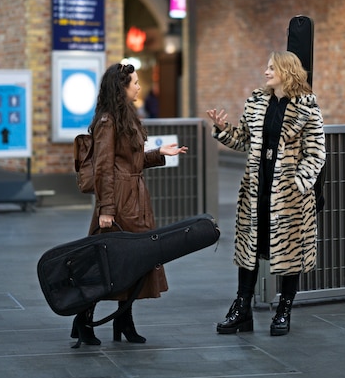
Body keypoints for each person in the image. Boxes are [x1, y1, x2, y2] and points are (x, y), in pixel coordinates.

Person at [206, 51, 325, 337]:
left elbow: (316, 154)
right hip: (257, 189)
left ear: (287, 71)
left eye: (272, 67)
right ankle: (241, 309)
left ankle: (284, 309)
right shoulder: (256, 102)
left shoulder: (308, 108)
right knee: (249, 250)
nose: (266, 71)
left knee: (290, 251)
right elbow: (243, 140)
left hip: (290, 196)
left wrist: (298, 184)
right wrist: (223, 130)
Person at [71, 62, 188, 347]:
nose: (139, 86)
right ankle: (84, 321)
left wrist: (158, 153)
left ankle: (124, 321)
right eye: (134, 82)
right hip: (120, 202)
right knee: (107, 264)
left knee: (132, 263)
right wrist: (107, 210)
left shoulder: (125, 117)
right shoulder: (108, 121)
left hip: (134, 198)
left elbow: (130, 162)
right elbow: (103, 168)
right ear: (121, 87)